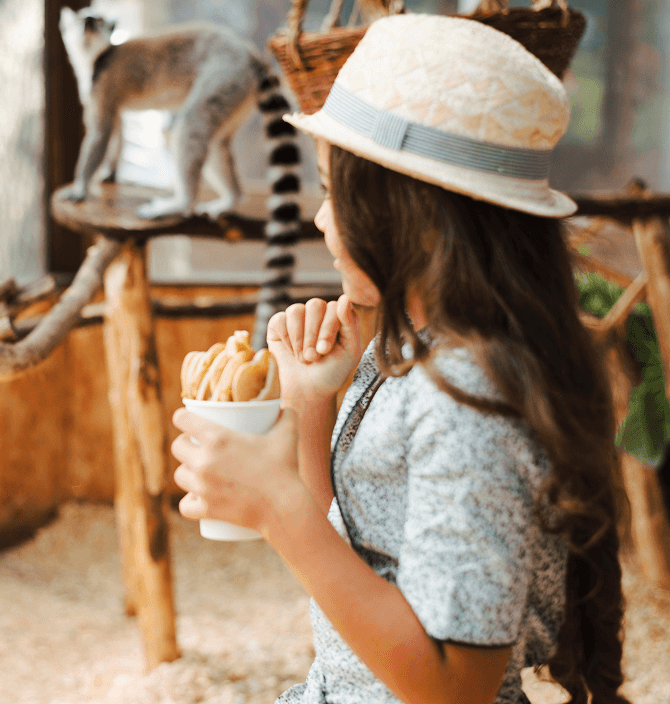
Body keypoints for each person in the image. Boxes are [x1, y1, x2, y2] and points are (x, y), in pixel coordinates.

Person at [171, 13, 628, 704]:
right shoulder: (407, 351)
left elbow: (458, 687)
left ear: (407, 209)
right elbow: (355, 552)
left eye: (334, 193)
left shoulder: (472, 395)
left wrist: (278, 508)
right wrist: (311, 403)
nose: (321, 220)